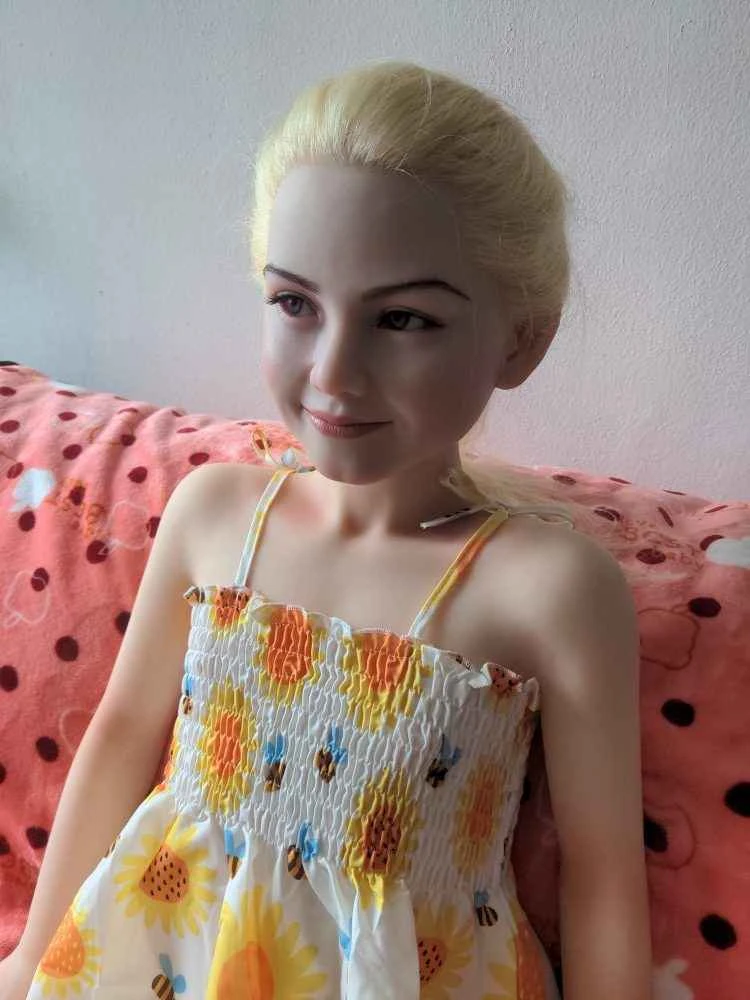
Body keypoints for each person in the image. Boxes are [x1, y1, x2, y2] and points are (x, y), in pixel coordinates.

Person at [1, 59, 653, 999]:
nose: (334, 373)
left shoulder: (548, 587)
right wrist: (29, 961)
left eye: (404, 318)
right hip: (161, 959)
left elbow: (601, 878)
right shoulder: (213, 515)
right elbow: (122, 736)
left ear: (522, 339)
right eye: (294, 304)